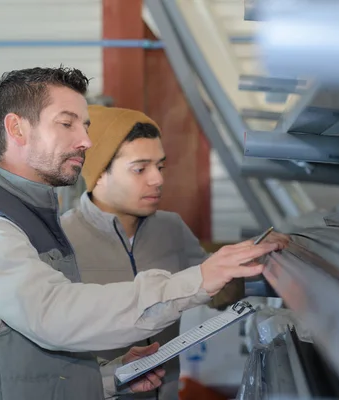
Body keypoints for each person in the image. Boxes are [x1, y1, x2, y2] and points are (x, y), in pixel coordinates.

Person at [0, 66, 279, 400]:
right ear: (17, 129)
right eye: (67, 124)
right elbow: (54, 317)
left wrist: (111, 376)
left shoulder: (32, 218)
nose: (86, 141)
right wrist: (196, 281)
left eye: (85, 125)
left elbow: (30, 361)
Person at [61, 105, 289, 400]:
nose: (157, 179)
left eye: (160, 166)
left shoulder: (171, 228)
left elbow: (217, 294)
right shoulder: (63, 241)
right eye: (140, 169)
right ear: (100, 174)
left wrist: (243, 265)